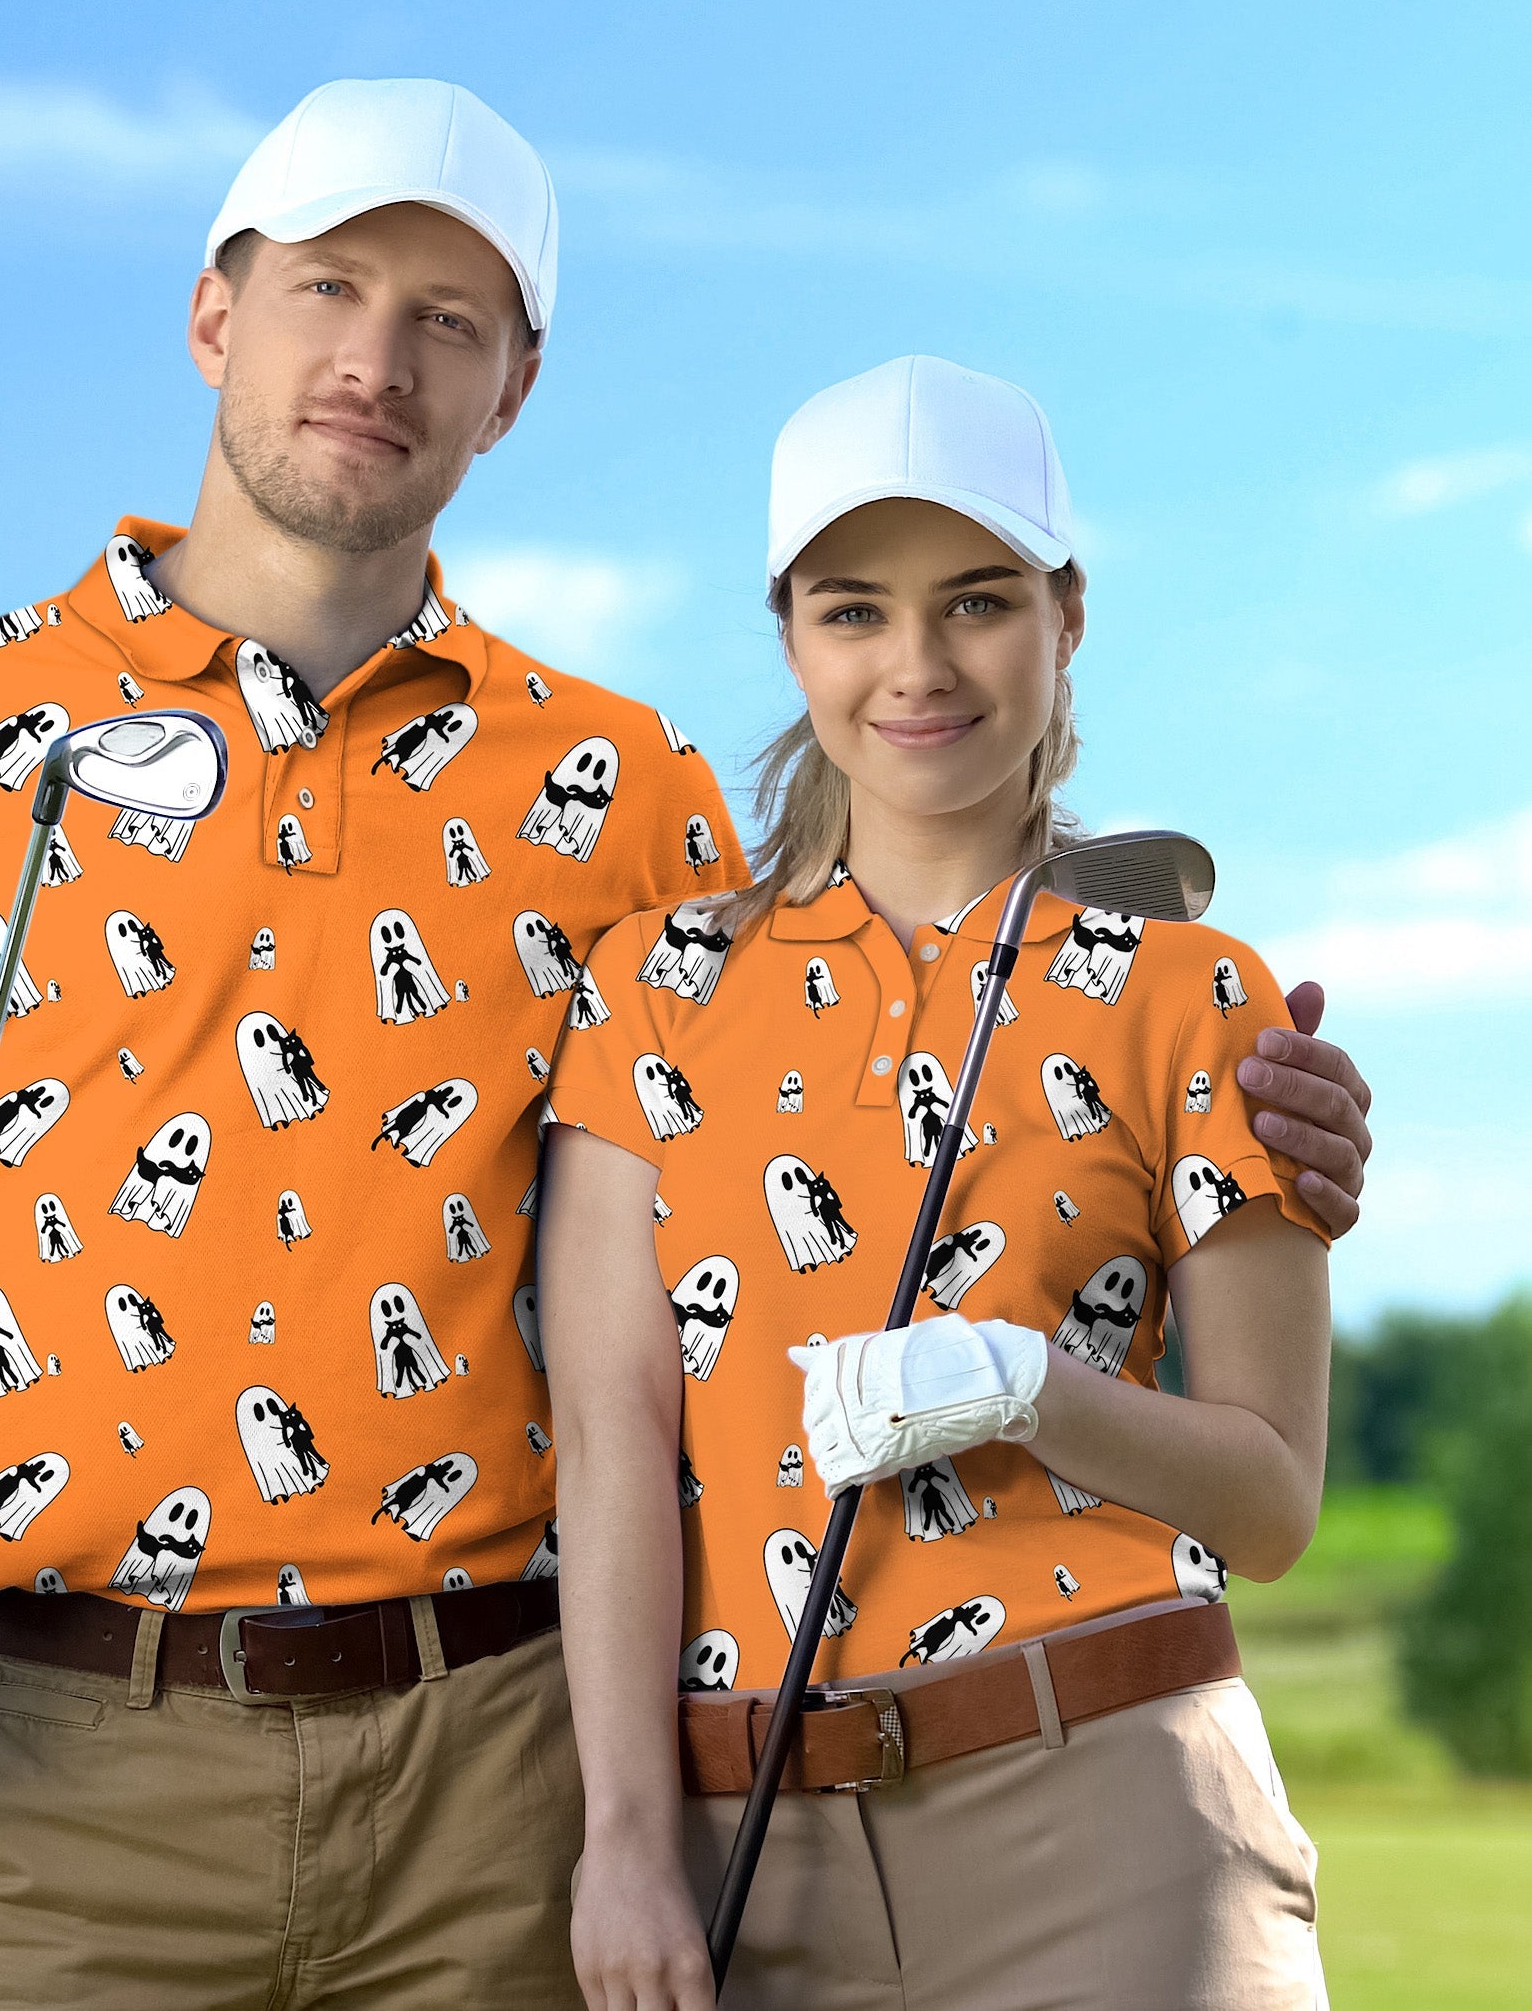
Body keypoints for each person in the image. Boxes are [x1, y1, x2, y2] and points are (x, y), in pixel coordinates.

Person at [0, 77, 1372, 2004]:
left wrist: (1225, 1067)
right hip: (50, 1774)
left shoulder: (619, 788)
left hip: (500, 1767)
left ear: (513, 386)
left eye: (445, 320)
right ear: (214, 314)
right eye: (327, 290)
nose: (375, 360)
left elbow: (866, 993)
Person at [542, 356, 1344, 2009]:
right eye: (853, 611)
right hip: (751, 1841)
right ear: (787, 635)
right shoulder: (652, 990)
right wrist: (621, 1836)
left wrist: (1021, 1386)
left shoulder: (1190, 991)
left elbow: (1267, 1503)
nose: (915, 666)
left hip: (1113, 1803)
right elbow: (613, 1436)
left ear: (1064, 616)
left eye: (976, 602)